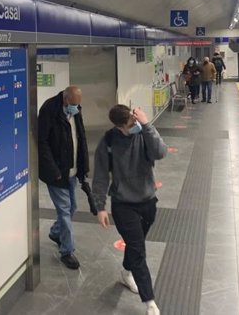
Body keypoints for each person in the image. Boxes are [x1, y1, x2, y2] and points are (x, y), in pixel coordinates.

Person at [92, 105, 167, 315]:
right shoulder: (108, 142)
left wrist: (146, 124)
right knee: (138, 249)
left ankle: (126, 272)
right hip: (123, 204)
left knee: (136, 246)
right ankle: (149, 301)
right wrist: (100, 207)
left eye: (135, 122)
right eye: (130, 124)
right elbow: (99, 176)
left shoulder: (144, 133)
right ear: (119, 127)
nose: (134, 126)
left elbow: (160, 152)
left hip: (148, 201)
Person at [38, 86, 89, 270]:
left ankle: (55, 232)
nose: (76, 107)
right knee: (65, 211)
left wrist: (83, 168)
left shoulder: (75, 111)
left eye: (78, 105)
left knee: (72, 207)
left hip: (72, 171)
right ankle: (67, 251)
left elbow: (80, 137)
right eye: (74, 104)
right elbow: (41, 142)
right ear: (66, 99)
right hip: (57, 173)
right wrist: (54, 171)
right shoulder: (49, 109)